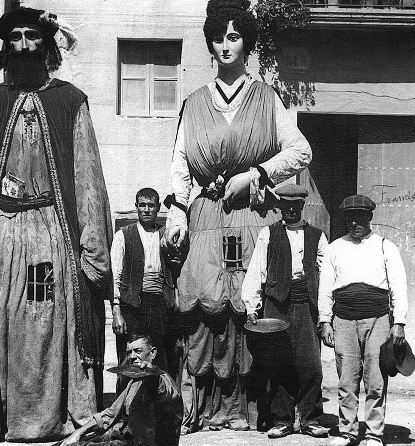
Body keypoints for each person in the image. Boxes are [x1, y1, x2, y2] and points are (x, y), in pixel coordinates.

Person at [0, 7, 112, 443]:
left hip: (50, 235)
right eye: (15, 37)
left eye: (32, 36)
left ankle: (51, 420)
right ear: (6, 47)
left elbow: (88, 178)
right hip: (2, 235)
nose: (23, 45)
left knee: (47, 321)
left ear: (47, 44)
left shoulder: (70, 101)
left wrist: (91, 247)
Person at [163, 0, 312, 434]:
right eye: (217, 37)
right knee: (206, 311)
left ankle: (256, 411)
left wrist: (256, 173)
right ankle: (206, 411)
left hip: (253, 218)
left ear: (247, 42)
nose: (224, 46)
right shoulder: (192, 103)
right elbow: (179, 165)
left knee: (251, 306)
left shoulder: (266, 98)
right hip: (207, 219)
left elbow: (301, 150)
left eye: (233, 37)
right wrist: (177, 215)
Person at [318, 195, 408, 446]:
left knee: (376, 379)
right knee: (346, 380)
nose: (354, 224)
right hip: (344, 320)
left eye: (359, 218)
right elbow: (325, 288)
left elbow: (398, 285)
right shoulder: (335, 247)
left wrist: (398, 322)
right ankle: (347, 432)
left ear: (369, 218)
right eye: (349, 219)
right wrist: (325, 321)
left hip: (378, 320)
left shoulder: (384, 246)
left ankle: (374, 434)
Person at [242, 184, 328, 439]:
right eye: (285, 205)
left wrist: (325, 314)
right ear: (279, 207)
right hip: (276, 305)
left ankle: (311, 418)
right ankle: (282, 419)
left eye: (295, 205)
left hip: (306, 304)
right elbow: (256, 270)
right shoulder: (267, 234)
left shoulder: (317, 235)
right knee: (278, 363)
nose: (290, 209)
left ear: (302, 206)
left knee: (311, 365)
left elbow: (326, 276)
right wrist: (252, 307)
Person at [60, 333, 183, 446]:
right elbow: (110, 414)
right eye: (129, 352)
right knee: (65, 443)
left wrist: (151, 374)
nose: (133, 356)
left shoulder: (163, 381)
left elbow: (158, 390)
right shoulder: (135, 381)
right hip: (129, 439)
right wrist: (79, 432)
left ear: (153, 353)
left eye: (138, 351)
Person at [110, 188, 176, 373]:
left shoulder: (167, 235)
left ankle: (157, 402)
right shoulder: (123, 235)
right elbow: (115, 275)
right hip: (132, 306)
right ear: (136, 207)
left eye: (151, 205)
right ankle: (126, 400)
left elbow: (175, 272)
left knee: (160, 361)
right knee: (130, 361)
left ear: (158, 208)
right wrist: (117, 312)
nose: (146, 210)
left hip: (160, 306)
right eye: (142, 205)